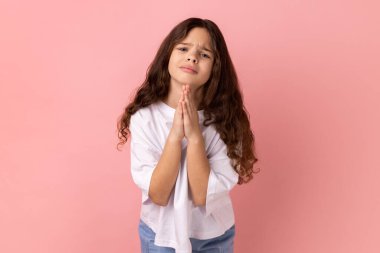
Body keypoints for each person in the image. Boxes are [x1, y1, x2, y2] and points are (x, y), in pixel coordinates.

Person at [117, 17, 259, 253]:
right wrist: (175, 136)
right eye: (183, 48)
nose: (192, 57)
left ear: (216, 68)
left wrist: (194, 138)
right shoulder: (145, 117)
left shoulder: (227, 121)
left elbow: (204, 196)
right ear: (167, 56)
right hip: (160, 235)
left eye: (204, 54)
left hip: (214, 236)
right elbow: (159, 194)